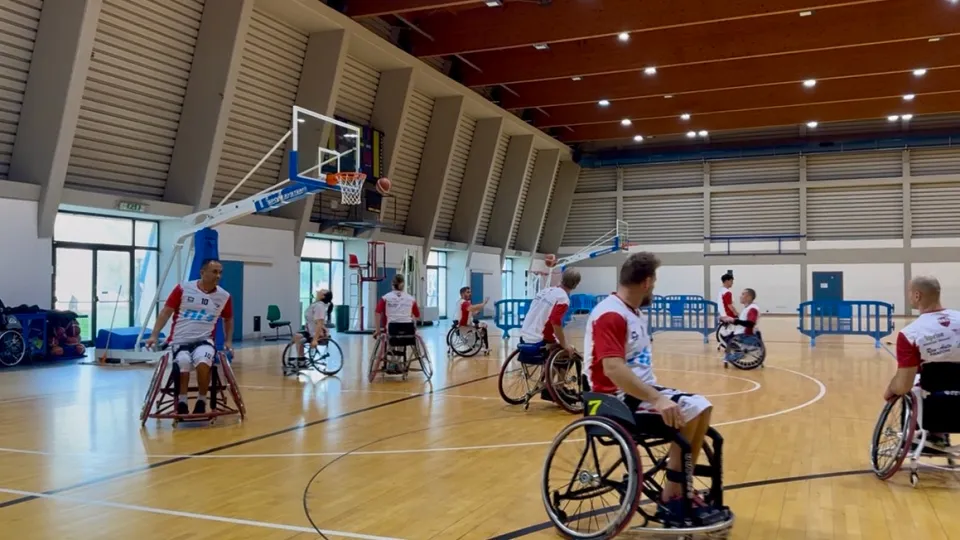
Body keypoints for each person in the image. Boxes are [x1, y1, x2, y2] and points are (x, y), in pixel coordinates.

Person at [583, 252, 718, 521]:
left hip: (634, 394)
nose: (654, 288)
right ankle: (674, 491)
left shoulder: (630, 312)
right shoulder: (611, 314)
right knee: (688, 410)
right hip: (613, 400)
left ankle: (678, 484)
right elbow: (613, 369)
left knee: (701, 407)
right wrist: (657, 399)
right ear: (646, 282)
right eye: (654, 282)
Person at [146, 259, 234, 415]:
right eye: (214, 272)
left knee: (203, 363)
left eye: (220, 272)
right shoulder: (183, 288)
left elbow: (228, 319)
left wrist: (228, 341)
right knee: (183, 363)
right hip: (180, 340)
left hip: (204, 340)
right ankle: (182, 401)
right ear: (202, 272)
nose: (218, 276)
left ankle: (201, 400)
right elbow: (166, 312)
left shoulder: (224, 296)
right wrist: (154, 335)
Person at [884, 276, 959, 449]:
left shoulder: (911, 334)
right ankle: (938, 435)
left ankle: (927, 433)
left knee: (913, 386)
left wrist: (890, 390)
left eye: (909, 293)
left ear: (917, 296)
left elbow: (903, 385)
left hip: (935, 403)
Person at [519, 268, 581, 357]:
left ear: (562, 279)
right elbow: (555, 321)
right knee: (570, 352)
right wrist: (564, 344)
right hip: (539, 339)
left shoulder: (544, 291)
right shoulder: (563, 298)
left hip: (523, 336)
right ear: (575, 285)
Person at [292, 289, 331, 369]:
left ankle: (301, 360)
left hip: (317, 334)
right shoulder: (316, 304)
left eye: (322, 290)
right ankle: (301, 360)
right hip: (310, 331)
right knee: (297, 336)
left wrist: (315, 340)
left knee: (299, 337)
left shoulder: (319, 306)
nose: (318, 291)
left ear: (323, 296)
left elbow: (319, 323)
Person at [374, 274, 420, 338]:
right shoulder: (411, 299)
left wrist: (378, 330)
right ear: (403, 285)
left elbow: (377, 313)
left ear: (392, 284)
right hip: (408, 329)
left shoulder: (385, 298)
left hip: (392, 329)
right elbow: (417, 316)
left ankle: (390, 347)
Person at [458, 286, 490, 354]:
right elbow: (473, 308)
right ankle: (485, 347)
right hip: (465, 328)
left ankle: (480, 342)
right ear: (462, 294)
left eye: (470, 292)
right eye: (468, 292)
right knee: (484, 326)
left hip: (464, 326)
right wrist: (483, 303)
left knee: (482, 324)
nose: (470, 294)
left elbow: (470, 311)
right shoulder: (464, 303)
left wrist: (475, 312)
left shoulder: (461, 302)